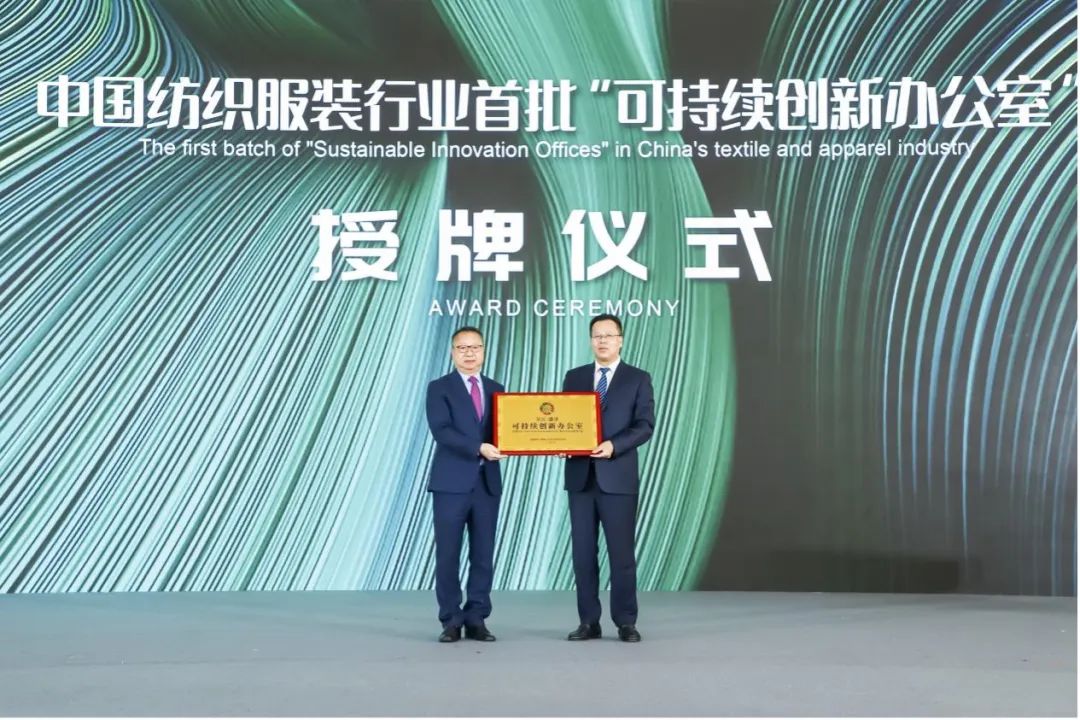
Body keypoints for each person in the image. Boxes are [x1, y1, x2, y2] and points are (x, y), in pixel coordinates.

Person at [562, 314, 654, 642]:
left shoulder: (637, 378)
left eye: (609, 335)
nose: (602, 341)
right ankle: (589, 621)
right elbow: (563, 421)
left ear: (621, 340)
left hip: (618, 478)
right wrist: (560, 443)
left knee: (621, 554)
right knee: (583, 555)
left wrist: (614, 445)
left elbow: (645, 425)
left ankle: (626, 621)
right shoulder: (574, 377)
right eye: (597, 335)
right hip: (580, 478)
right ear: (590, 340)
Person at [425, 326, 504, 642]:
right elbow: (441, 430)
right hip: (451, 483)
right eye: (462, 347)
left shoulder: (497, 388)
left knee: (483, 554)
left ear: (483, 351)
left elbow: (507, 430)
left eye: (475, 347)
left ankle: (476, 617)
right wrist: (478, 447)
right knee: (448, 554)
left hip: (487, 483)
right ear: (453, 352)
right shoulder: (439, 388)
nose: (469, 353)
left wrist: (545, 444)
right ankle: (450, 619)